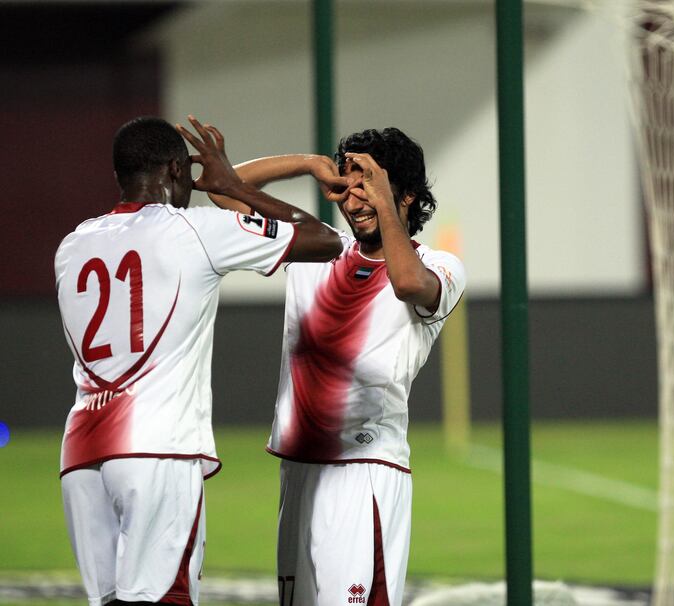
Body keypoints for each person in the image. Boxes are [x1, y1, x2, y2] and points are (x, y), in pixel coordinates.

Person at [55, 115, 344, 606]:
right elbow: (323, 240)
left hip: (81, 454)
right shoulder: (195, 229)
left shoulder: (73, 244)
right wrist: (231, 183)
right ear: (174, 169)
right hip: (155, 447)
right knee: (164, 597)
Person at [208, 127, 466, 605]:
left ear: (405, 195)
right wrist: (308, 163)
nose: (353, 201)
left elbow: (409, 284)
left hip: (364, 470)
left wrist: (383, 199)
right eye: (346, 189)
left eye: (366, 186)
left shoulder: (440, 265)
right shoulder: (318, 248)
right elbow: (223, 187)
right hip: (299, 469)